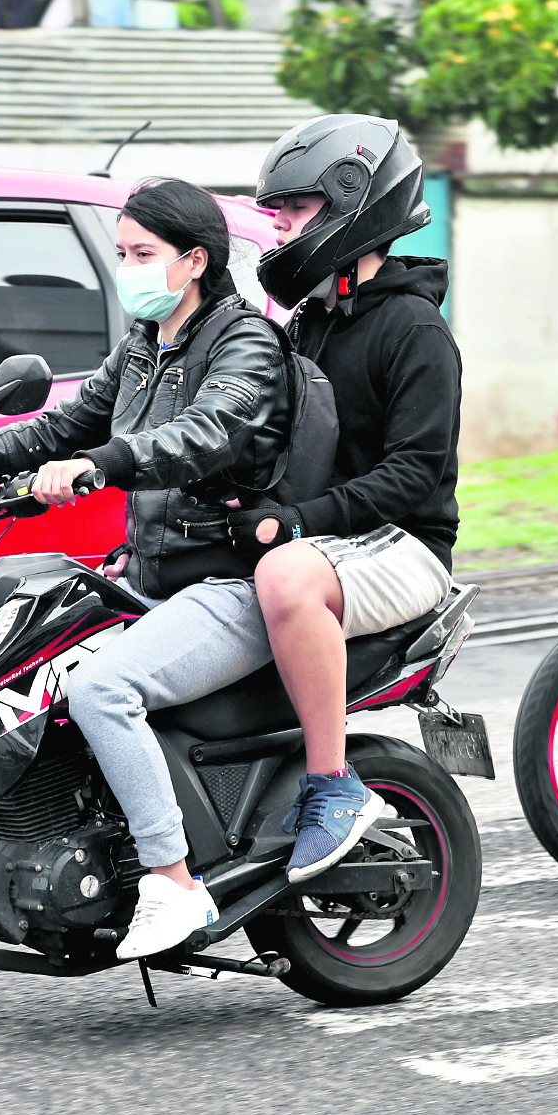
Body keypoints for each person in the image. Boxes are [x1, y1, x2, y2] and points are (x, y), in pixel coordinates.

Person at [0, 177, 292, 958]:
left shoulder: (244, 342)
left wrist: (98, 467)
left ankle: (172, 882)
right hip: (149, 574)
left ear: (195, 259)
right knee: (15, 650)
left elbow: (205, 434)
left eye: (143, 253)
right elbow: (57, 427)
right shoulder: (143, 348)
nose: (126, 268)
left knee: (101, 687)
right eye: (120, 254)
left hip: (230, 578)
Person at [230, 114, 464, 882]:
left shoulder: (414, 329)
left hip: (404, 546)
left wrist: (297, 521)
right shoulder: (307, 324)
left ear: (348, 203)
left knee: (284, 577)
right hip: (333, 541)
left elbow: (414, 475)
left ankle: (332, 787)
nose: (277, 228)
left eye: (292, 210)